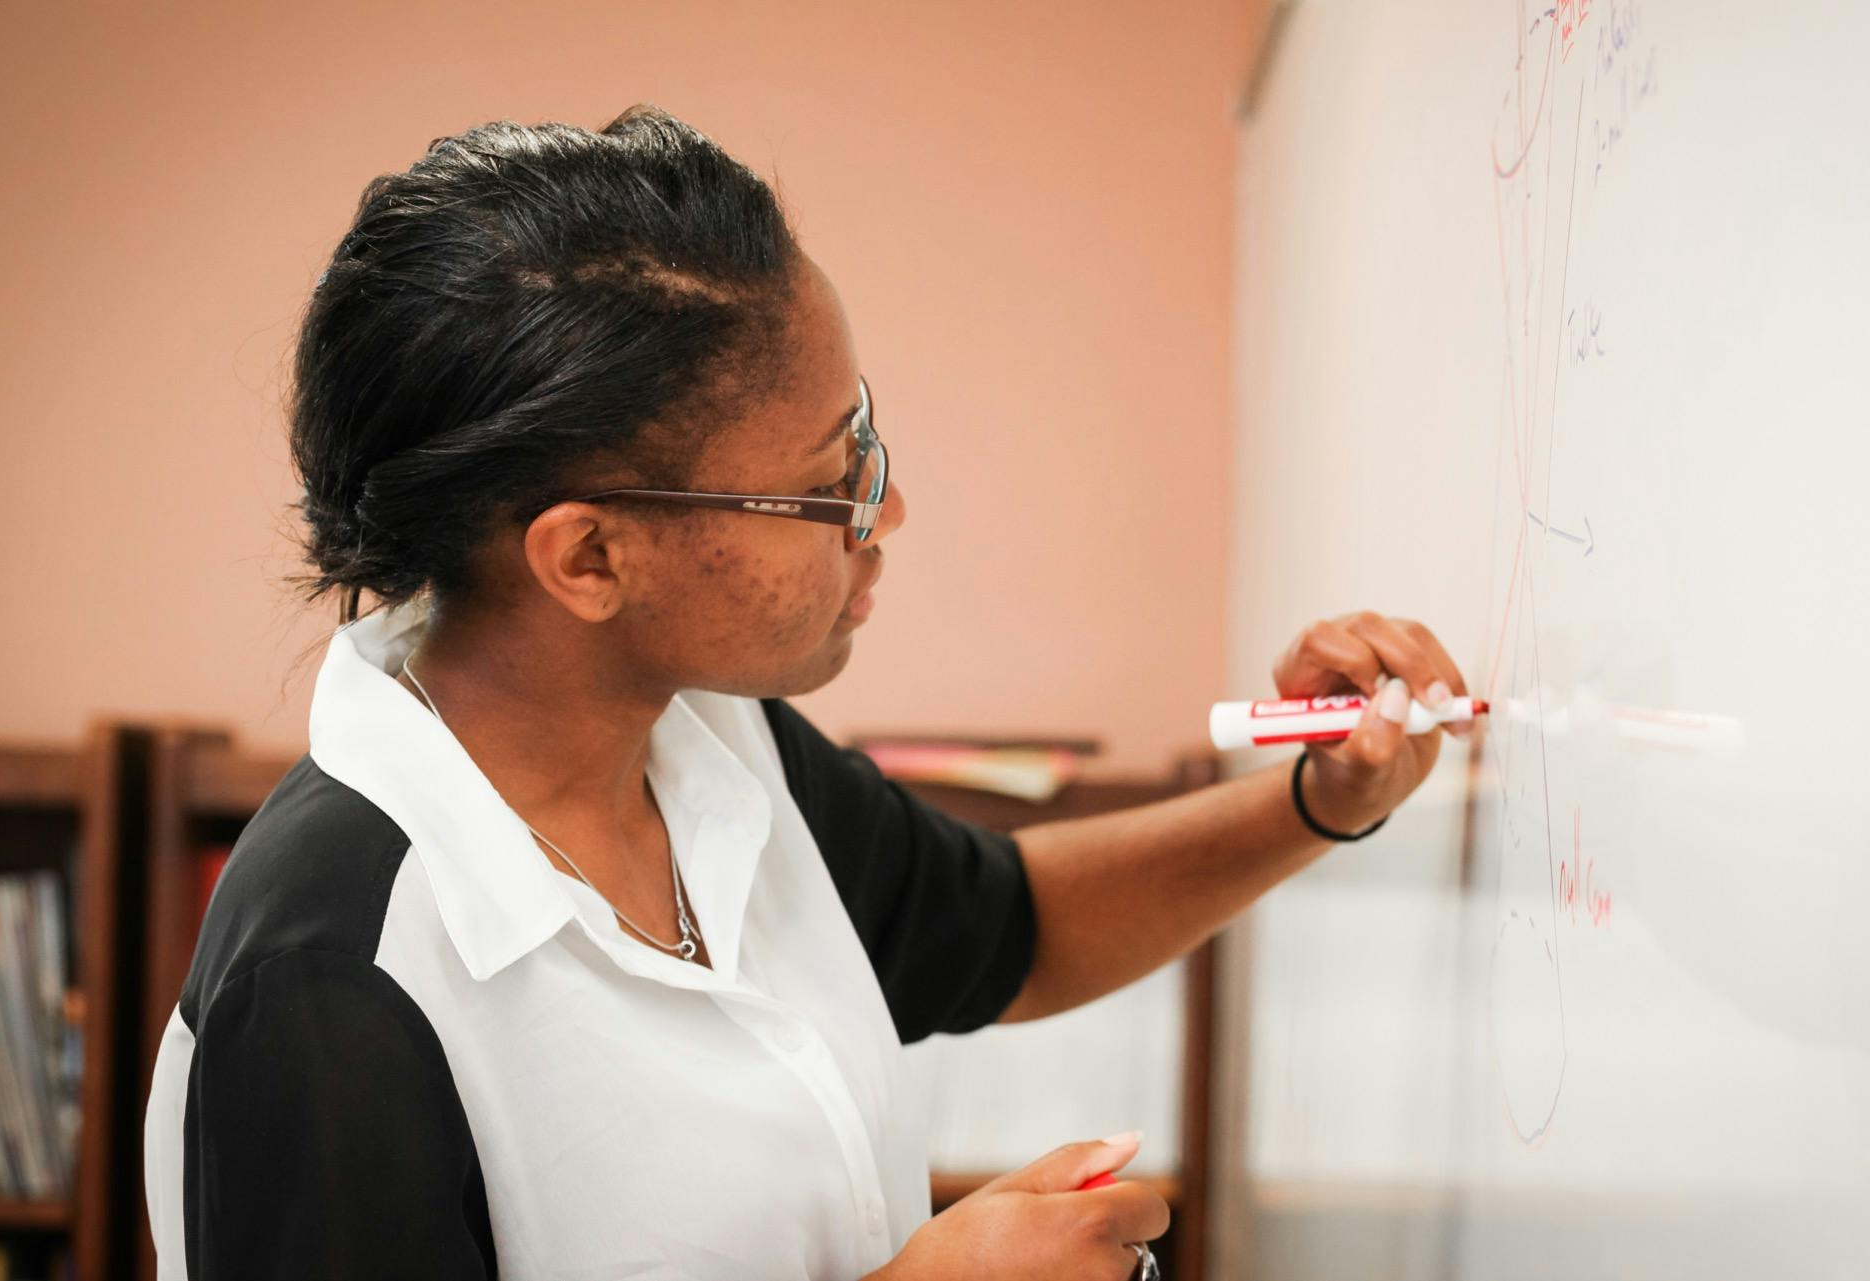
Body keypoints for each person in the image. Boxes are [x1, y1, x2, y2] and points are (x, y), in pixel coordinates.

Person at [141, 105, 1469, 1281]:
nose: (882, 507)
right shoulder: (331, 971)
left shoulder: (708, 740)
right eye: (826, 478)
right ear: (588, 554)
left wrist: (1319, 798)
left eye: (866, 433)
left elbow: (1004, 926)